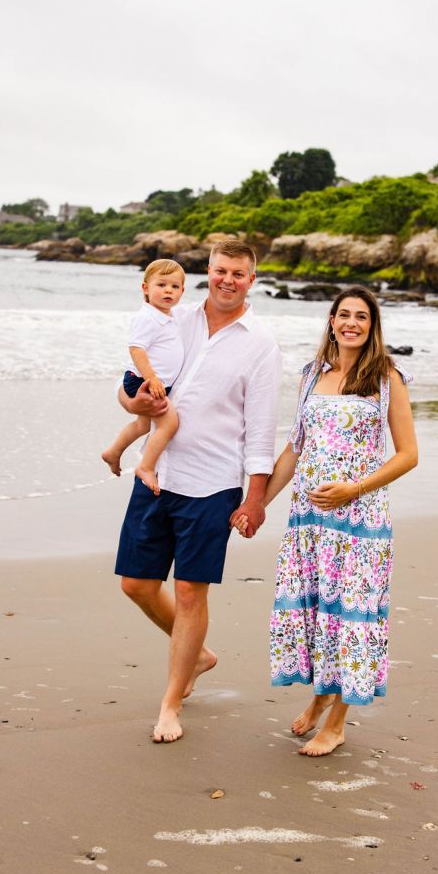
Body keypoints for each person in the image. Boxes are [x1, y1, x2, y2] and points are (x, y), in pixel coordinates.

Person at [237, 285, 417, 757]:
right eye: (344, 315)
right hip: (310, 520)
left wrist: (353, 489)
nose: (351, 323)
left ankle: (337, 723)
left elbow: (408, 455)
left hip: (358, 520)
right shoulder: (312, 373)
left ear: (372, 326)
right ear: (332, 321)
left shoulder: (386, 377)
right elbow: (295, 448)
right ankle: (320, 695)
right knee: (319, 613)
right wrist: (257, 504)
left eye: (361, 316)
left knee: (352, 615)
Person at [115, 239, 282, 743]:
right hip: (159, 472)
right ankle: (199, 655)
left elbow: (261, 430)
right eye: (219, 270)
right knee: (136, 585)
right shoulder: (173, 319)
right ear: (207, 272)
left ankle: (170, 703)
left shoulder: (261, 344)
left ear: (252, 280)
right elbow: (128, 388)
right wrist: (133, 401)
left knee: (190, 591)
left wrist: (255, 499)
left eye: (238, 273)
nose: (227, 280)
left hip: (214, 483)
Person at [101, 259, 185, 495]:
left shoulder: (168, 316)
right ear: (145, 288)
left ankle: (113, 452)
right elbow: (136, 349)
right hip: (145, 381)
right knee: (169, 424)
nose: (168, 291)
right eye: (161, 285)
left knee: (142, 425)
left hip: (151, 382)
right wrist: (153, 378)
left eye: (175, 287)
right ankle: (146, 467)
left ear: (182, 291)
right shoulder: (147, 318)